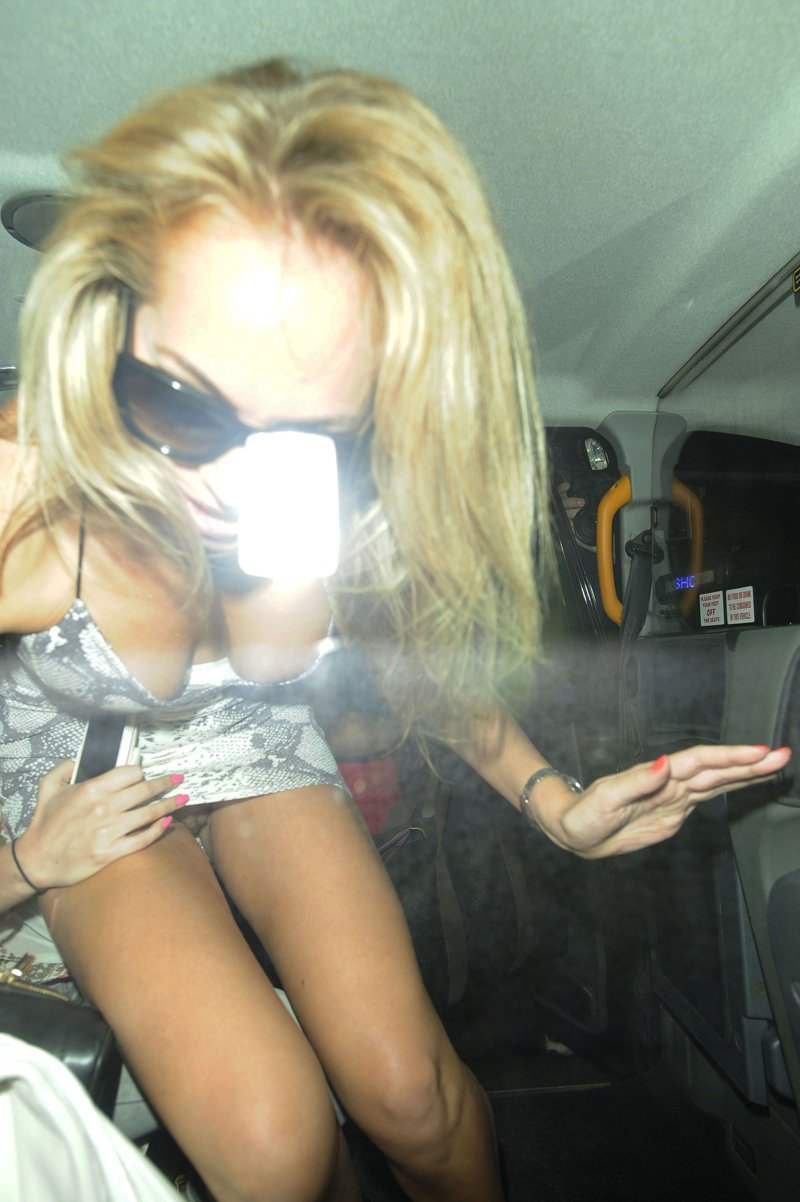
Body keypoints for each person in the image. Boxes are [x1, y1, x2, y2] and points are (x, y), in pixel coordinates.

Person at [0, 59, 789, 1202]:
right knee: (272, 1147)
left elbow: (427, 678)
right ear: (106, 330)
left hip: (259, 747)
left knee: (411, 1096)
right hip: (84, 793)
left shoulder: (356, 511)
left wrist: (555, 806)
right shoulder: (26, 495)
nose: (229, 480)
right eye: (177, 401)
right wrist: (23, 865)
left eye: (310, 439)